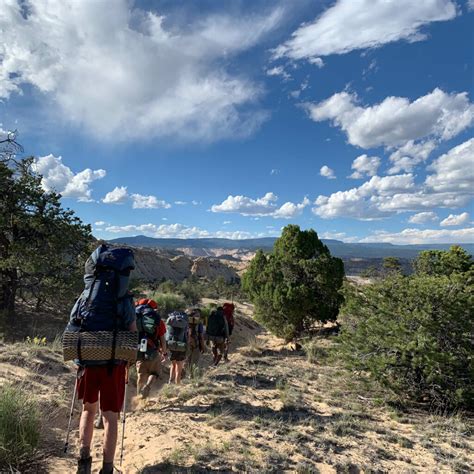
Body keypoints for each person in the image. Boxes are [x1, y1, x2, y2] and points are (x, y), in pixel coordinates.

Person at [70, 245, 136, 474]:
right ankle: (107, 468)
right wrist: (129, 361)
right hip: (113, 364)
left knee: (88, 410)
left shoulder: (86, 295)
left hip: (87, 360)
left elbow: (74, 324)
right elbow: (131, 332)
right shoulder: (124, 299)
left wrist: (77, 360)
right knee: (110, 418)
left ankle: (83, 461)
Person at [135, 298, 167, 399]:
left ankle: (138, 397)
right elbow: (162, 338)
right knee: (154, 372)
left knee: (141, 374)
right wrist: (164, 352)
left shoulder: (134, 317)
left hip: (137, 349)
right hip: (152, 349)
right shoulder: (157, 319)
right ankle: (147, 387)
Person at [166, 311, 188, 384]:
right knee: (179, 366)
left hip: (171, 345)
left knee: (173, 364)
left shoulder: (170, 323)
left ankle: (170, 381)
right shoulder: (184, 323)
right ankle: (177, 383)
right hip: (181, 346)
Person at [185, 308, 205, 374]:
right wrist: (203, 347)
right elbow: (201, 336)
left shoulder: (185, 320)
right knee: (195, 361)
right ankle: (192, 376)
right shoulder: (199, 322)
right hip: (195, 343)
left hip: (186, 342)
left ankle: (187, 374)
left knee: (188, 359)